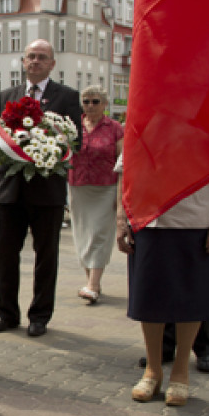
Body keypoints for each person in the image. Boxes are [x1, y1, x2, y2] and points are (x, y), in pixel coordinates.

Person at [117, 157, 209, 406]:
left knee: (191, 297)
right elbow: (127, 168)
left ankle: (180, 370)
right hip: (147, 217)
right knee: (150, 297)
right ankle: (153, 369)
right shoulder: (145, 119)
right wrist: (121, 216)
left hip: (195, 219)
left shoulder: (208, 121)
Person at [0, 39, 82, 337]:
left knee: (46, 255)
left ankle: (40, 315)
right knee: (5, 253)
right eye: (31, 57)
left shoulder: (66, 97)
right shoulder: (5, 96)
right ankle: (6, 312)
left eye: (42, 57)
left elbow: (75, 142)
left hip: (47, 190)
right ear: (23, 62)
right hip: (9, 189)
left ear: (53, 64)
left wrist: (50, 154)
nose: (36, 62)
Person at [69, 84, 124, 304]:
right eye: (86, 101)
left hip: (105, 187)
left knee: (100, 234)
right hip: (78, 186)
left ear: (105, 104)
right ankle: (93, 281)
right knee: (83, 235)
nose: (90, 106)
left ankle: (92, 284)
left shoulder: (115, 128)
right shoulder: (73, 126)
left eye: (95, 101)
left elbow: (123, 161)